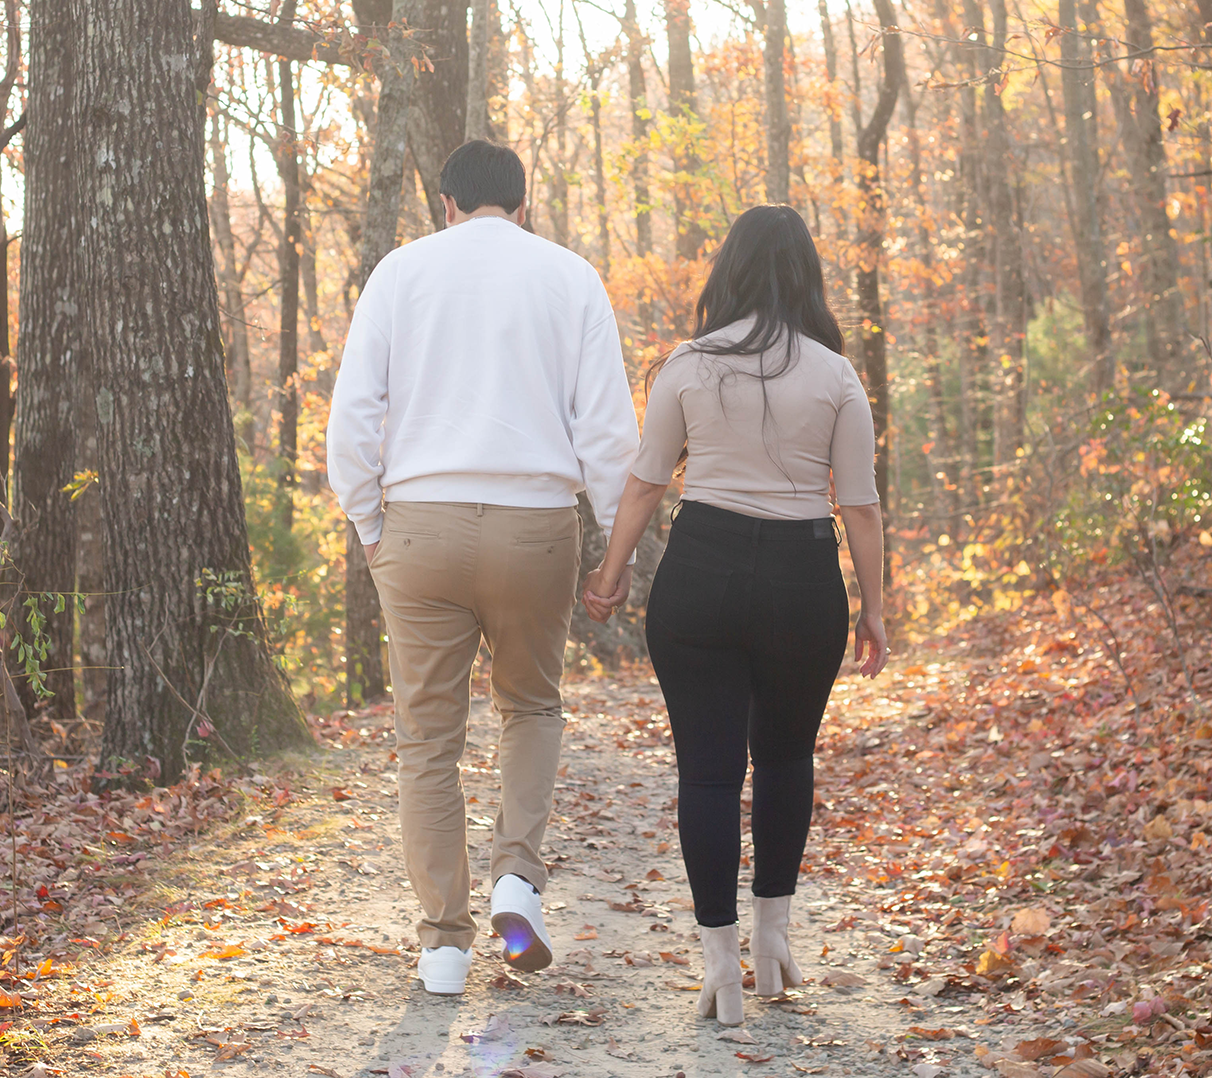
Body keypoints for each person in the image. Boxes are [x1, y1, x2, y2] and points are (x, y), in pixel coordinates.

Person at [327, 140, 639, 996]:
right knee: (532, 707)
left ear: (445, 202)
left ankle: (443, 947)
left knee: (427, 739)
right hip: (537, 524)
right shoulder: (570, 277)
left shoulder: (400, 272)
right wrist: (617, 551)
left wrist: (367, 521)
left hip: (419, 527)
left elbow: (354, 412)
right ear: (524, 206)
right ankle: (516, 880)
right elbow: (609, 432)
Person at [583, 204, 887, 1027]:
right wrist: (875, 610)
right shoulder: (836, 374)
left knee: (709, 772)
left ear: (730, 270)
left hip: (701, 572)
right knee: (786, 759)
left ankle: (720, 972)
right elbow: (858, 506)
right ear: (807, 275)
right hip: (800, 577)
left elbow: (646, 481)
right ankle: (774, 946)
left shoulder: (686, 364)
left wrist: (610, 575)